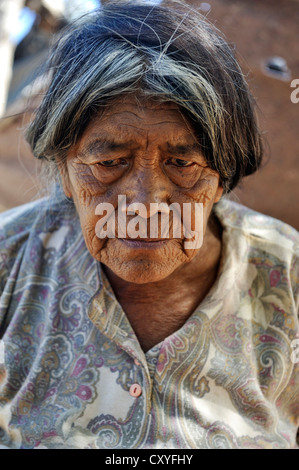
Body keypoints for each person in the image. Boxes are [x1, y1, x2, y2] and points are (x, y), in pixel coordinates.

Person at [0, 0, 298, 450]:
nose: (144, 202)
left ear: (222, 176)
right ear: (64, 169)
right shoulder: (8, 263)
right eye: (109, 163)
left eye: (182, 163)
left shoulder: (287, 273)